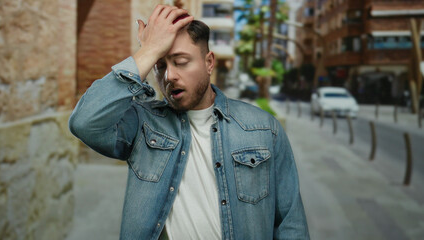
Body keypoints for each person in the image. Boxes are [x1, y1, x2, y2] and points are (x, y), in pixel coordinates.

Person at [69, 4, 309, 240]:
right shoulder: (143, 123)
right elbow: (84, 122)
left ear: (209, 63)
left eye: (181, 62)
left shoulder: (264, 128)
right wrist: (147, 51)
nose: (169, 76)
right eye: (160, 65)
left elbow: (290, 224)